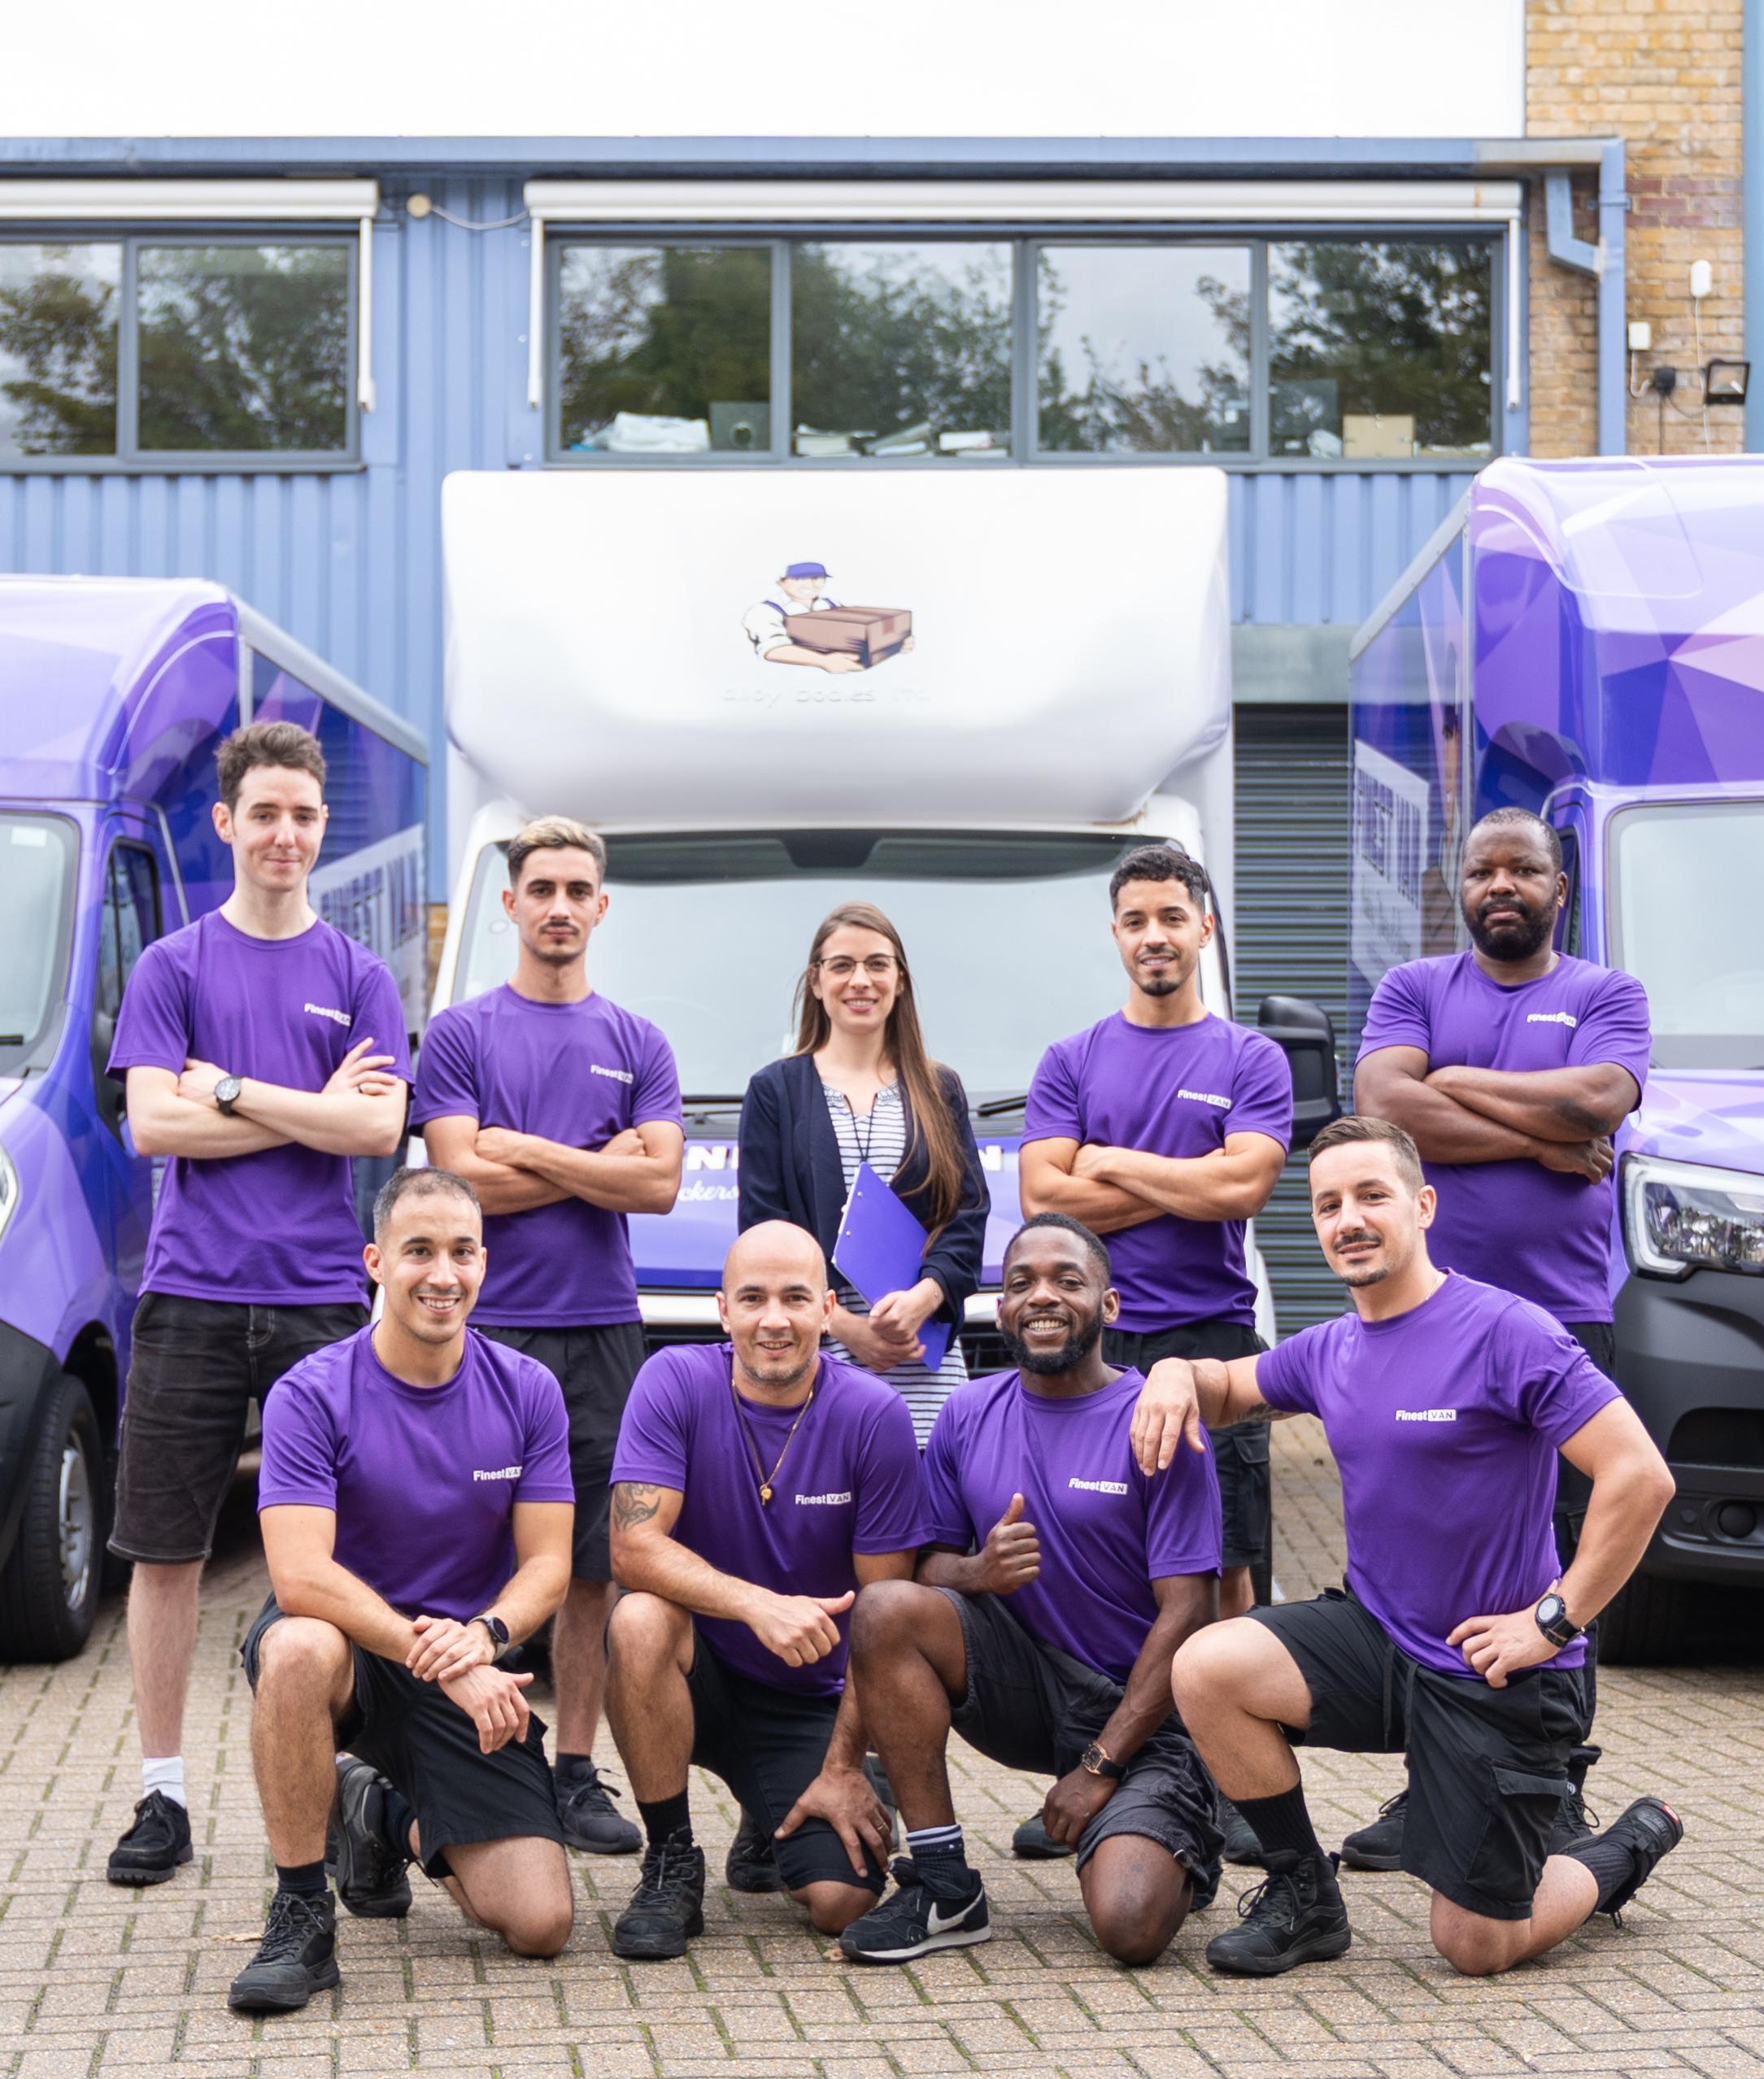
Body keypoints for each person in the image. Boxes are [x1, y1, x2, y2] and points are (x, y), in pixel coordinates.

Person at [1132, 1118, 1687, 1983]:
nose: (1346, 1218)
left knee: (1474, 1945)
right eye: (1326, 1204)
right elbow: (1231, 1384)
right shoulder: (1330, 1348)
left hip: (1492, 1667)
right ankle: (1303, 1895)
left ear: (1421, 1206)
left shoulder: (1509, 1332)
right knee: (1207, 1666)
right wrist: (1173, 1372)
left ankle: (1625, 1842)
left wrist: (1550, 1621)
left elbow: (1638, 1478)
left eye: (1369, 1196)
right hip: (1379, 1641)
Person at [98, 717, 409, 1889]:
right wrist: (301, 1104)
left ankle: (347, 1788)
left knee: (332, 1554)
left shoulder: (359, 973)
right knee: (166, 1550)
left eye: (306, 815)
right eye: (265, 813)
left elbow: (377, 1129)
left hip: (325, 1297)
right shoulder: (174, 965)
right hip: (191, 1292)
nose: (286, 833)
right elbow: (152, 1123)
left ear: (324, 828)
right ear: (226, 822)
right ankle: (163, 1794)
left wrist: (226, 1086)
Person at [1340, 804, 1647, 1871]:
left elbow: (1603, 1095)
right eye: (1482, 870)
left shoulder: (1606, 993)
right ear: (1459, 887)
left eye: (1524, 868)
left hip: (1561, 1324)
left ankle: (1554, 1787)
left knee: (1560, 1556)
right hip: (1428, 1325)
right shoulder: (1414, 988)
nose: (1501, 883)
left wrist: (1455, 1087)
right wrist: (1542, 1133)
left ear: (1560, 886)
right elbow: (1384, 1105)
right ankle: (1430, 1780)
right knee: (1431, 1559)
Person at [226, 1169, 579, 2016]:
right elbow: (299, 1575)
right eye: (418, 1250)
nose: (441, 1273)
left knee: (540, 1922)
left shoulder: (527, 1389)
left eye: (460, 1251)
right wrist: (442, 1657)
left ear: (484, 1265)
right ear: (375, 1262)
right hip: (350, 1644)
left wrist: (486, 1639)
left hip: (463, 1654)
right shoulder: (312, 1391)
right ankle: (302, 1908)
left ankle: (374, 1812)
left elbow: (549, 1567)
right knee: (295, 1646)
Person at [836, 1216, 1228, 1968]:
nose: (1041, 1297)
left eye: (1066, 1280)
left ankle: (1178, 1823)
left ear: (1108, 1305)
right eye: (1021, 1283)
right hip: (1021, 1682)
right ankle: (943, 1882)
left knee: (1129, 1927)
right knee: (886, 1610)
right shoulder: (966, 1411)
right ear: (1000, 1306)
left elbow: (1190, 1612)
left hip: (1136, 1709)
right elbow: (924, 1571)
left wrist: (1099, 1766)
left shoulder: (1156, 1419)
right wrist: (977, 1573)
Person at [413, 817, 685, 1855]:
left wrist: (516, 1147)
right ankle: (471, 1748)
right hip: (488, 1329)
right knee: (476, 1546)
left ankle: (574, 1770)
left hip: (602, 1329)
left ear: (600, 906)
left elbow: (656, 1184)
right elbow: (453, 1182)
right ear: (510, 904)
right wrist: (586, 1160)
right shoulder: (462, 1034)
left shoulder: (637, 1040)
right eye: (543, 888)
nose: (560, 906)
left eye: (579, 889)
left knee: (590, 1567)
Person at [599, 1220, 930, 1955]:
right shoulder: (673, 1379)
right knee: (638, 1619)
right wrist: (756, 1604)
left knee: (841, 1903)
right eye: (751, 1298)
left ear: (827, 1308)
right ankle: (670, 1861)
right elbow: (631, 1546)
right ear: (722, 1310)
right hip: (701, 1672)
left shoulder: (874, 1415)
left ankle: (769, 1821)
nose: (772, 1319)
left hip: (810, 1695)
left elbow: (884, 1624)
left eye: (793, 1297)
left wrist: (845, 1766)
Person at [1017, 846, 1292, 1627]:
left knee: (1229, 1564)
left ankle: (1224, 1734)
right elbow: (1045, 1201)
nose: (1154, 935)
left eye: (1172, 916)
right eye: (1135, 920)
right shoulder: (1070, 1060)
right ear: (1115, 934)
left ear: (1204, 928)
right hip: (1097, 1346)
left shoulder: (1251, 1058)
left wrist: (1111, 1162)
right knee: (1102, 1548)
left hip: (1215, 1345)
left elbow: (1244, 1186)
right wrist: (1190, 1182)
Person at [737, 901, 989, 1445]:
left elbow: (967, 1216)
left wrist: (924, 1296)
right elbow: (763, 1230)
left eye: (878, 964)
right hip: (816, 1357)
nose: (861, 980)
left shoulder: (938, 1088)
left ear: (899, 981)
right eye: (842, 965)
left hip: (921, 1357)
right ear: (816, 980)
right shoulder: (774, 1091)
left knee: (930, 1522)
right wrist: (844, 1326)